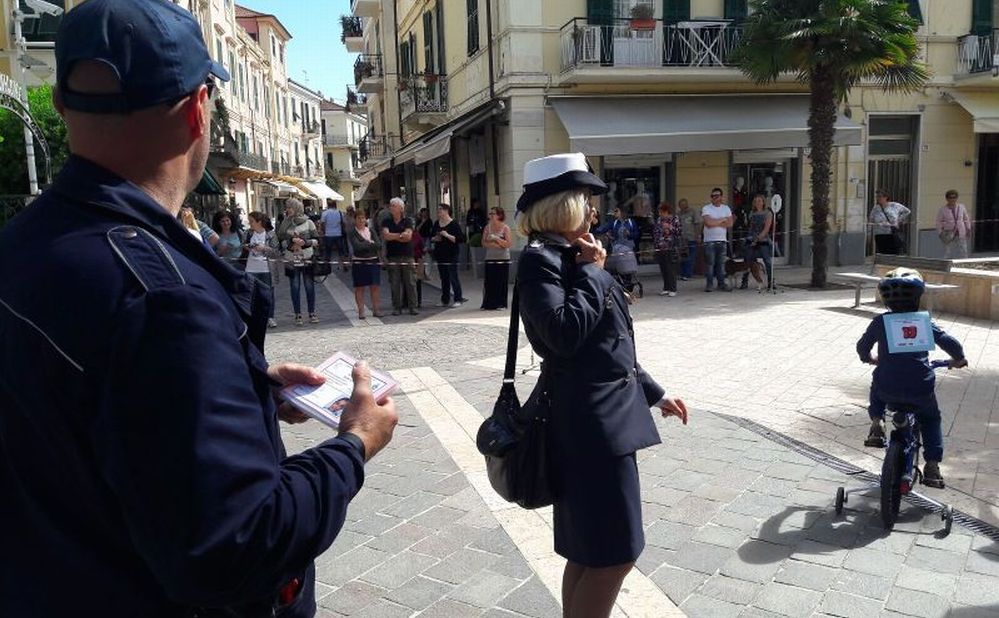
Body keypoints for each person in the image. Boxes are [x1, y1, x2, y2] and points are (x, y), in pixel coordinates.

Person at [0, 2, 398, 616]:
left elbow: (92, 415)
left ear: (61, 106)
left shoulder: (21, 245)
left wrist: (241, 387)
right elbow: (240, 545)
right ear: (196, 110)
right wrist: (353, 446)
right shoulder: (162, 296)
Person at [514, 153, 688, 618]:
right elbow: (563, 336)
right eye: (587, 200)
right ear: (562, 206)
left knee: (588, 550)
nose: (594, 211)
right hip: (592, 429)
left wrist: (654, 392)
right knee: (617, 553)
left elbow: (610, 345)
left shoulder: (569, 256)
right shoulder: (543, 262)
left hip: (598, 419)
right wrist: (594, 271)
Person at [857, 268, 967, 488]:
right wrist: (959, 358)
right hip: (920, 390)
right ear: (917, 296)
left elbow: (862, 347)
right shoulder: (923, 322)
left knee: (878, 380)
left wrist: (869, 358)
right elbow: (950, 343)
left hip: (887, 388)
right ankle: (933, 466)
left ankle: (877, 423)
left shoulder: (880, 322)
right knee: (931, 419)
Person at [277, 198, 320, 325]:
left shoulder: (308, 222)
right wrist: (290, 244)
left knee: (309, 286)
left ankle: (312, 313)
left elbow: (317, 240)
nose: (287, 210)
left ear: (297, 208)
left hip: (307, 258)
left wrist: (305, 242)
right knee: (294, 287)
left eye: (290, 207)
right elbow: (280, 241)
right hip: (292, 259)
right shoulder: (284, 223)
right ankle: (298, 315)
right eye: (287, 207)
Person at [382, 197, 419, 316]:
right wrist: (400, 235)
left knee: (410, 282)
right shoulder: (386, 221)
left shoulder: (408, 221)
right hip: (393, 256)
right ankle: (396, 307)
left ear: (401, 208)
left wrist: (395, 236)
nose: (391, 208)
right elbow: (386, 236)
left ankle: (413, 306)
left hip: (407, 255)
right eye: (391, 205)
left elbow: (409, 237)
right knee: (394, 283)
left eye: (394, 205)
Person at [244, 211, 280, 328]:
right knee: (251, 294)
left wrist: (264, 248)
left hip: (266, 268)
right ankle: (253, 317)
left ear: (259, 222)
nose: (250, 224)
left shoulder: (270, 234)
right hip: (251, 268)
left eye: (252, 221)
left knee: (268, 293)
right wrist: (246, 247)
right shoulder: (248, 233)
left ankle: (270, 317)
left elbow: (276, 252)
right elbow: (242, 246)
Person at [348, 208, 383, 319]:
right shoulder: (352, 232)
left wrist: (366, 244)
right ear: (355, 220)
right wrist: (369, 243)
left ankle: (376, 310)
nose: (361, 220)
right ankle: (361, 311)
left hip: (373, 260)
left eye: (363, 218)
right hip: (359, 262)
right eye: (359, 218)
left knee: (375, 286)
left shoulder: (371, 231)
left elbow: (378, 245)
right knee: (360, 287)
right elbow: (357, 247)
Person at [432, 203, 468, 307]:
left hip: (452, 254)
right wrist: (435, 238)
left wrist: (447, 235)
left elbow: (460, 239)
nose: (438, 212)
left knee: (453, 276)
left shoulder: (453, 224)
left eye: (440, 210)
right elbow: (432, 236)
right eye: (438, 210)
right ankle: (445, 299)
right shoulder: (436, 223)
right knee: (444, 277)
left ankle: (458, 298)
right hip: (440, 254)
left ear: (446, 211)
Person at [481, 206, 512, 310]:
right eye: (490, 214)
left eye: (493, 214)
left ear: (499, 215)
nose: (491, 216)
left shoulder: (505, 228)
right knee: (490, 281)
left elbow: (508, 244)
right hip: (490, 257)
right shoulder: (487, 227)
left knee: (501, 281)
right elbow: (484, 242)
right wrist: (496, 245)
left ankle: (501, 303)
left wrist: (496, 238)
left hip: (503, 258)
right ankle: (489, 303)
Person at [702, 187, 733, 292]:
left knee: (721, 264)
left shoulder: (726, 208)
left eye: (717, 195)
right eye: (713, 196)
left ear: (721, 197)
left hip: (722, 240)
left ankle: (721, 284)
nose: (715, 198)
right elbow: (708, 223)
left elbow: (730, 223)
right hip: (709, 241)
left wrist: (715, 221)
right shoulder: (706, 208)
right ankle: (709, 285)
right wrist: (722, 220)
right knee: (710, 264)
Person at [741, 194, 774, 291]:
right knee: (747, 260)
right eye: (755, 201)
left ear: (763, 202)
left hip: (763, 240)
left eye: (759, 201)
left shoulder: (768, 213)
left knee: (767, 261)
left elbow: (766, 229)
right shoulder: (752, 213)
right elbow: (750, 228)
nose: (757, 203)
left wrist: (758, 239)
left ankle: (770, 282)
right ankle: (744, 281)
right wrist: (749, 239)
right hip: (751, 238)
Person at [652, 201, 682, 297]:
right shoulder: (659, 220)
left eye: (662, 212)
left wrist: (670, 227)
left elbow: (679, 232)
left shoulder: (675, 219)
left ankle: (673, 289)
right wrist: (656, 244)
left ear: (667, 211)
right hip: (660, 247)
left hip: (671, 247)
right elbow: (656, 232)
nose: (660, 214)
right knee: (663, 268)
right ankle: (666, 288)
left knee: (671, 269)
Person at [870, 189, 911, 255]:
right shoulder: (876, 208)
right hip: (879, 234)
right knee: (883, 253)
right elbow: (871, 219)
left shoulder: (894, 205)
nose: (878, 198)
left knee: (893, 253)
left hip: (891, 233)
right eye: (877, 196)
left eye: (880, 196)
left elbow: (907, 211)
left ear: (886, 197)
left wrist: (899, 221)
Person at [935, 189, 973, 259]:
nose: (952, 199)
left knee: (963, 251)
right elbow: (938, 222)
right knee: (947, 251)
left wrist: (968, 229)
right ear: (947, 199)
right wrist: (940, 233)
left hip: (960, 232)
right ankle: (945, 265)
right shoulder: (943, 209)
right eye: (950, 197)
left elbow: (966, 218)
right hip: (948, 233)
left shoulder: (961, 207)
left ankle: (964, 264)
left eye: (954, 197)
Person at [320, 200, 348, 271]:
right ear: (335, 205)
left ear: (328, 205)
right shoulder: (340, 212)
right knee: (341, 251)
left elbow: (322, 223)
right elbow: (343, 223)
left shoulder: (325, 213)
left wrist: (324, 231)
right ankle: (344, 265)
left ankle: (327, 266)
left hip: (328, 234)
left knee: (328, 252)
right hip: (338, 234)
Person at [676, 198, 699, 280]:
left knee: (691, 257)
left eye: (684, 205)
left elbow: (697, 224)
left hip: (691, 238)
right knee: (683, 257)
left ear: (687, 204)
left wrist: (697, 236)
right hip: (681, 239)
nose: (683, 207)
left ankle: (688, 274)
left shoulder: (693, 212)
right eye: (681, 205)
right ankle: (683, 274)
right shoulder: (678, 214)